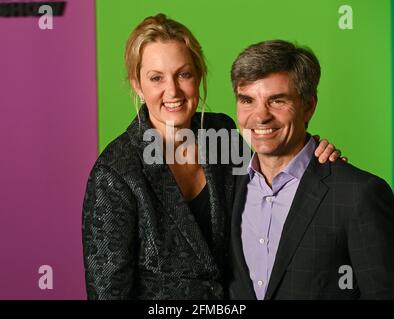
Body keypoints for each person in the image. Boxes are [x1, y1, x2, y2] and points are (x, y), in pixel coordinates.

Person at [82, 14, 341, 300]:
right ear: (137, 84)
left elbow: (269, 182)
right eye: (156, 78)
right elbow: (108, 294)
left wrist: (313, 156)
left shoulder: (222, 132)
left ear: (199, 74)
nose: (173, 91)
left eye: (184, 74)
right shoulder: (116, 172)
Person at [228, 40, 394, 300]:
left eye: (277, 100)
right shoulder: (226, 185)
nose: (260, 117)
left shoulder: (358, 195)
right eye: (247, 100)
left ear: (308, 106)